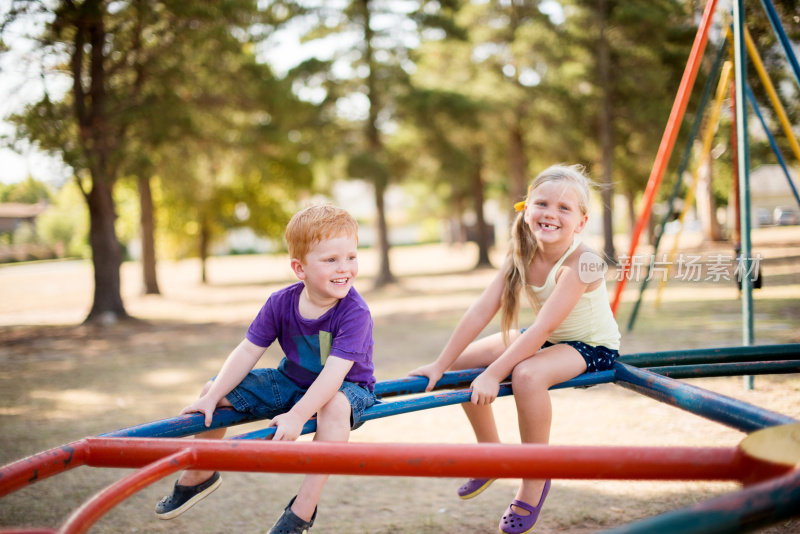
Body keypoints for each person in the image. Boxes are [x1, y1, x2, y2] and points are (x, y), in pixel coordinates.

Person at [409, 164, 620, 534]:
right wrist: (439, 364)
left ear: (581, 223)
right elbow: (480, 311)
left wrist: (493, 374)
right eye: (542, 203)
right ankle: (492, 454)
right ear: (526, 210)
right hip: (547, 338)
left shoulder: (584, 260)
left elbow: (543, 326)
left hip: (590, 346)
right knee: (458, 365)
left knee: (526, 374)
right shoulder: (521, 252)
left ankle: (534, 476)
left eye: (564, 208)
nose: (551, 213)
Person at [154, 204, 376, 534]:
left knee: (333, 406)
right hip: (292, 380)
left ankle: (302, 509)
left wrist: (298, 416)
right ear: (299, 268)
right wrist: (214, 395)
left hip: (348, 387)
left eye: (351, 257)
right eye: (331, 260)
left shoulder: (354, 312)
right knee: (212, 389)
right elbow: (247, 351)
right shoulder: (281, 302)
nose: (345, 268)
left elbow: (333, 375)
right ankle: (200, 473)